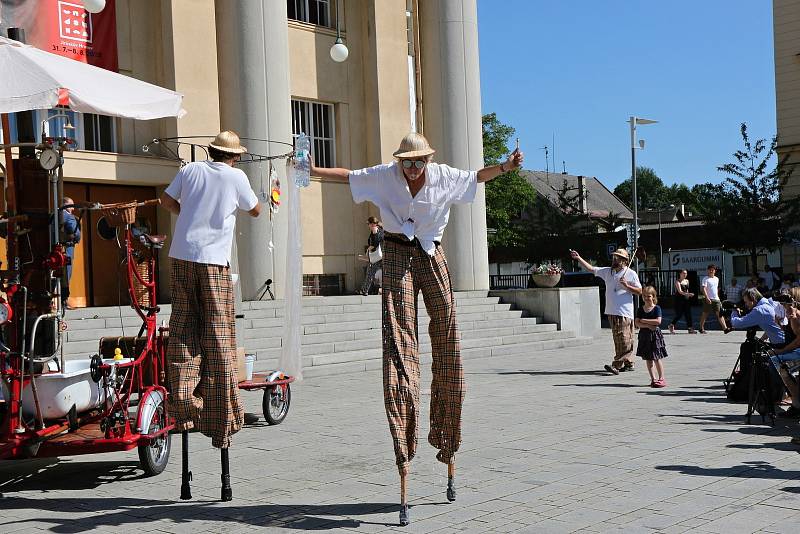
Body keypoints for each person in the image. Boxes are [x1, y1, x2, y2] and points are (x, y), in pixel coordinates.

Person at [310, 132, 523, 526]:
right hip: (395, 254)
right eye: (406, 162)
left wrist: (506, 167)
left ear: (427, 159)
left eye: (417, 162)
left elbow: (477, 177)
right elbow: (348, 175)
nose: (411, 169)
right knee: (399, 337)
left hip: (431, 252)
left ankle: (447, 437)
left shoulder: (442, 175)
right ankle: (404, 435)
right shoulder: (384, 175)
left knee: (447, 334)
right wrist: (311, 169)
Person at [160, 130, 261, 500]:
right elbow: (256, 209)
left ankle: (185, 396)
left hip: (182, 256)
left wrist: (190, 212)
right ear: (233, 157)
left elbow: (166, 200)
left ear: (211, 151)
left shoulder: (190, 171)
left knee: (184, 330)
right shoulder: (236, 177)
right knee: (219, 337)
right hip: (214, 263)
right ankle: (222, 412)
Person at [570, 248, 642, 375]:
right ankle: (629, 362)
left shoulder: (630, 273)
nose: (615, 259)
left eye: (618, 258)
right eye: (614, 257)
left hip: (624, 312)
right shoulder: (608, 272)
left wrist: (626, 286)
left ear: (625, 261)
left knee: (624, 339)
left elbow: (640, 291)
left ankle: (617, 365)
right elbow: (592, 269)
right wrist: (579, 258)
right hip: (611, 311)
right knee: (620, 339)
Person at [770, 291, 800, 418]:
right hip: (795, 349)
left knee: (776, 362)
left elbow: (798, 339)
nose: (782, 305)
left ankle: (782, 395)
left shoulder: (797, 314)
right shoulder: (793, 314)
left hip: (797, 350)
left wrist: (781, 351)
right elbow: (794, 333)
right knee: (776, 362)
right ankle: (795, 402)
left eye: (785, 302)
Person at [636, 286, 669, 387]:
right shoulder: (640, 309)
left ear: (653, 296)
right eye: (645, 296)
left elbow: (658, 321)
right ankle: (653, 379)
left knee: (657, 357)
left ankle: (661, 378)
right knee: (648, 358)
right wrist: (648, 325)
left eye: (649, 296)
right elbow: (637, 323)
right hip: (644, 336)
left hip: (655, 336)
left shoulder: (656, 308)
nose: (647, 298)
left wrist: (644, 320)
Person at [61, 197, 81, 310]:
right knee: (66, 275)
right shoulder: (69, 217)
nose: (73, 209)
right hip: (67, 249)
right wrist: (77, 237)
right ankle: (64, 301)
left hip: (53, 249)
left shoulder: (53, 215)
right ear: (66, 205)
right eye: (71, 206)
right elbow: (75, 232)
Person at [699, 264, 728, 334]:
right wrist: (707, 298)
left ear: (715, 271)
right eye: (710, 270)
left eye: (713, 270)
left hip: (716, 299)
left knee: (720, 314)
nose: (711, 271)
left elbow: (716, 289)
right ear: (708, 270)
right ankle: (701, 328)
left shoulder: (716, 279)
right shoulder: (705, 278)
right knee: (705, 314)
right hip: (708, 299)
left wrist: (718, 298)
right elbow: (703, 289)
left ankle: (725, 328)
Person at [359, 216, 384, 295]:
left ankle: (365, 290)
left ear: (372, 224)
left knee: (370, 273)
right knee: (384, 274)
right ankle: (365, 289)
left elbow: (375, 243)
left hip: (376, 257)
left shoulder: (375, 230)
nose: (368, 225)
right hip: (383, 255)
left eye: (368, 224)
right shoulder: (381, 229)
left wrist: (368, 250)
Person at [669, 269, 695, 334]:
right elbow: (680, 291)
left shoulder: (687, 281)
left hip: (686, 299)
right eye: (683, 273)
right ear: (680, 274)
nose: (685, 274)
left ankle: (690, 328)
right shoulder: (677, 281)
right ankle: (671, 325)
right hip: (679, 300)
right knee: (679, 314)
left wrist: (688, 295)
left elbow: (687, 290)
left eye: (686, 273)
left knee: (688, 314)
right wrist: (688, 294)